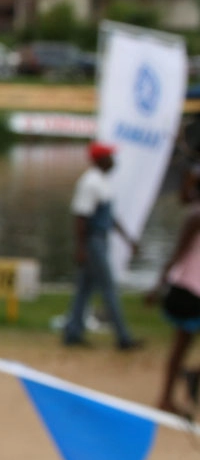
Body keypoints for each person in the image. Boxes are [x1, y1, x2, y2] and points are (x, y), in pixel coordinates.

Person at [62, 141, 143, 350]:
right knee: (108, 288)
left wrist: (128, 239)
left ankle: (72, 332)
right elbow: (81, 217)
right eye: (109, 156)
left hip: (99, 240)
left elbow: (110, 217)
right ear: (100, 160)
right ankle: (123, 337)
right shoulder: (90, 182)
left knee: (84, 289)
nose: (113, 160)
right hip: (93, 242)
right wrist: (81, 248)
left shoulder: (102, 181)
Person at [148, 203, 200, 417]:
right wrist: (159, 285)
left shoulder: (195, 215)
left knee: (181, 346)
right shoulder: (195, 215)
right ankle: (166, 398)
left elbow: (178, 252)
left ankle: (188, 379)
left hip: (191, 288)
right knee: (181, 345)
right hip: (189, 289)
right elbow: (179, 252)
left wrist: (159, 285)